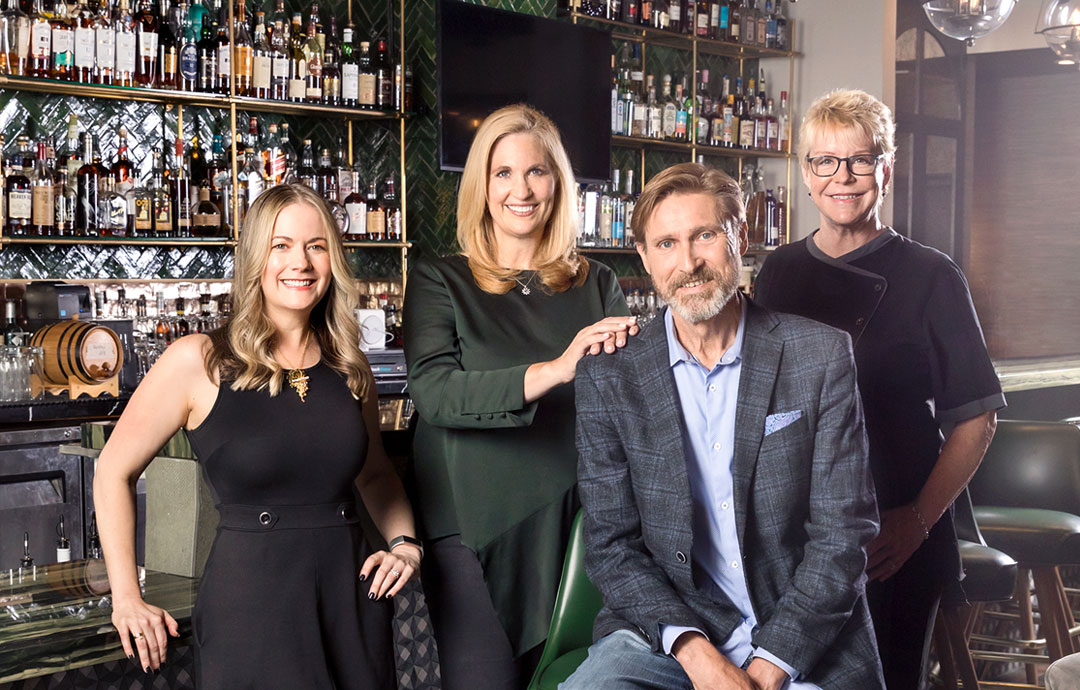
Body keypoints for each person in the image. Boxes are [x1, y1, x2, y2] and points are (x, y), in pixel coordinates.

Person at [563, 162, 884, 690]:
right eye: (665, 244)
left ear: (740, 237)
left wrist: (768, 667)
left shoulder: (819, 355)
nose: (688, 262)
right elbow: (612, 546)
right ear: (643, 255)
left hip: (801, 635)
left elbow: (842, 538)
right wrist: (697, 656)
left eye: (705, 236)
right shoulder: (610, 376)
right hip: (669, 637)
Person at [94, 184, 421, 688]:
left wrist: (405, 545)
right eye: (281, 245)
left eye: (316, 246)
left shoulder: (351, 367)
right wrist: (126, 597)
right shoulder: (199, 360)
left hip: (350, 601)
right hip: (252, 606)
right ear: (255, 260)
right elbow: (112, 469)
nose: (302, 262)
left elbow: (376, 474)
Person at [754, 89, 1004, 690]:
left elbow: (977, 420)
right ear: (806, 174)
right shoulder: (778, 271)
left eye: (861, 160)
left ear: (885, 170)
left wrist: (917, 521)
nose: (843, 177)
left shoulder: (932, 276)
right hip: (794, 532)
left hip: (892, 529)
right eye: (825, 162)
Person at [403, 104, 638, 689]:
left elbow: (629, 401)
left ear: (557, 184)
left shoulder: (596, 283)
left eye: (536, 171)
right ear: (481, 186)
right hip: (475, 526)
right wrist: (557, 369)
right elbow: (435, 395)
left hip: (582, 526)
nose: (521, 189)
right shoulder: (440, 280)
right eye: (502, 173)